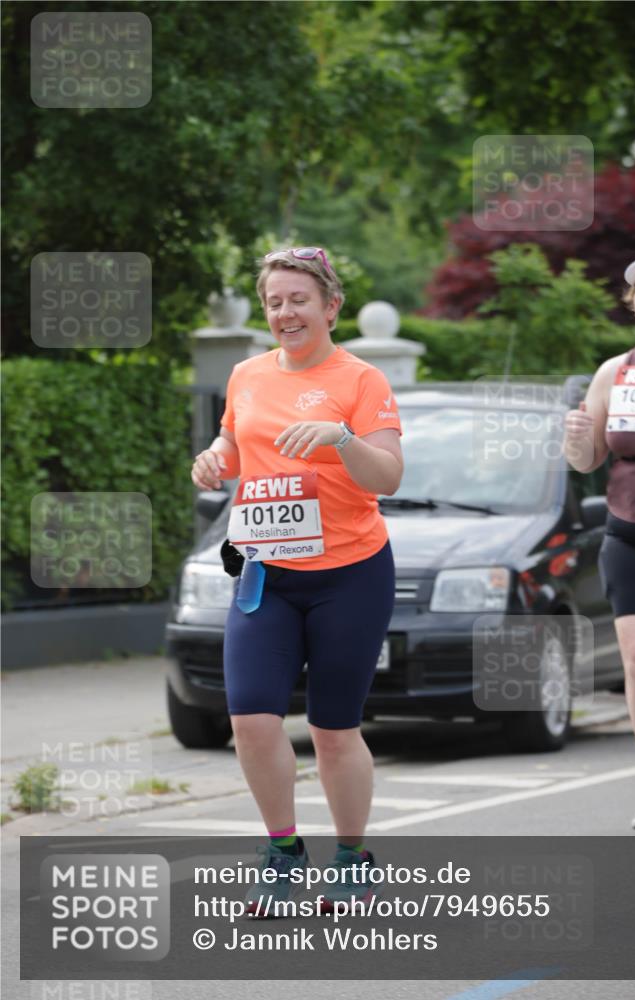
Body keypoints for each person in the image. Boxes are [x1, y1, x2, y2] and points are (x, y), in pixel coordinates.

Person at [191, 246, 403, 911]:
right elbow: (235, 441)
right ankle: (281, 852)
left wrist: (341, 438)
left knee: (334, 728)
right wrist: (215, 457)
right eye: (274, 302)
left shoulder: (360, 380)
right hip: (265, 573)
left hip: (350, 572)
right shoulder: (247, 374)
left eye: (298, 300)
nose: (285, 312)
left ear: (330, 306)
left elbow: (388, 477)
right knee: (251, 719)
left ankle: (351, 858)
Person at [564, 250, 635, 830]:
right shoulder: (614, 372)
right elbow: (586, 459)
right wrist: (576, 437)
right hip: (631, 535)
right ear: (633, 304)